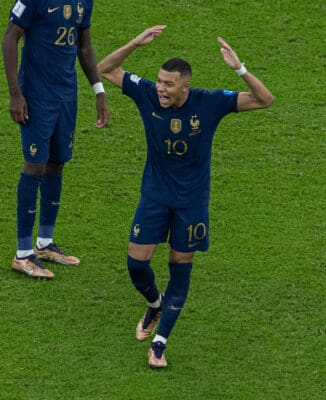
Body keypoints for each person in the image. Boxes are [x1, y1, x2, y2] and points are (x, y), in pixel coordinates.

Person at [97, 25, 274, 368]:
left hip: (191, 202)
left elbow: (265, 99)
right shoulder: (146, 94)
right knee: (136, 264)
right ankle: (153, 303)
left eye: (168, 84)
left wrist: (240, 70)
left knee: (180, 268)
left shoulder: (209, 103)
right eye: (160, 82)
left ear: (184, 88)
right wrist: (135, 42)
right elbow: (105, 69)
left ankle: (160, 344)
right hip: (155, 196)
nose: (161, 89)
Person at [3, 0, 109, 279]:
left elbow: (84, 45)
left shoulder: (84, 2)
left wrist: (98, 90)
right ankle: (23, 253)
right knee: (34, 166)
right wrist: (16, 93)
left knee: (57, 163)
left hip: (66, 95)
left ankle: (45, 243)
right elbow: (10, 37)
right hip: (36, 95)